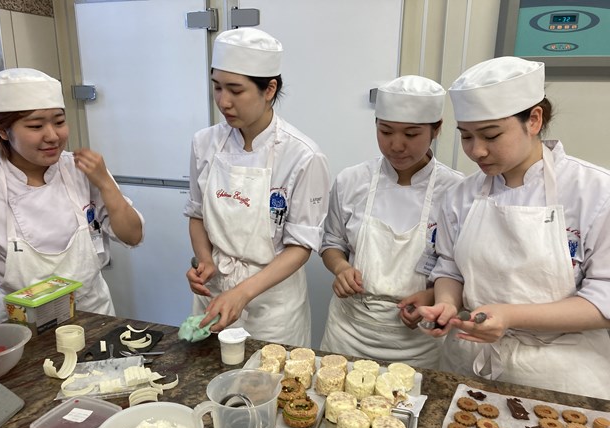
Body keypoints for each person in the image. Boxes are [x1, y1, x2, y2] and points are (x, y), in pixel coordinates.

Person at [418, 56, 610, 400]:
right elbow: (449, 267)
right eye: (466, 137)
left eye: (491, 135)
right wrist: (446, 303)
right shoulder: (461, 195)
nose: (477, 151)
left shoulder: (594, 192)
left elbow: (604, 298)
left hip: (561, 377)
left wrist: (510, 315)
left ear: (534, 119)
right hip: (469, 366)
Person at [185, 28, 330, 347]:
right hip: (215, 297)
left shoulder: (303, 156)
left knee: (269, 376)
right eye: (217, 87)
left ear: (269, 89)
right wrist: (204, 260)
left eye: (236, 90)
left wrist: (243, 292)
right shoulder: (204, 143)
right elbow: (197, 215)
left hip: (273, 309)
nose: (224, 101)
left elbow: (300, 246)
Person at [0, 68, 144, 323]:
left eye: (59, 122)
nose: (52, 136)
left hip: (93, 315)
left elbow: (133, 236)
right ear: (2, 130)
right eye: (36, 126)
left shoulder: (82, 169)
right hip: (20, 324)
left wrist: (106, 183)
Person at [319, 76, 464, 368]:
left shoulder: (456, 191)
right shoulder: (352, 180)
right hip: (348, 332)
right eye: (385, 131)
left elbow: (461, 270)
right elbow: (331, 243)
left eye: (411, 134)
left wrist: (432, 295)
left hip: (419, 342)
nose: (396, 145)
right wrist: (341, 268)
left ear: (436, 129)